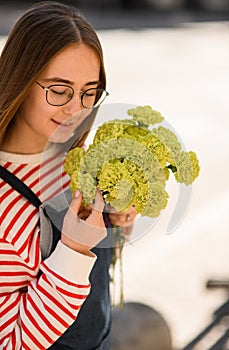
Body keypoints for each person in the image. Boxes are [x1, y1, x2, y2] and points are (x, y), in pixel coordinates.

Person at [0, 2, 137, 349]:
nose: (77, 109)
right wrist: (73, 249)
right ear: (18, 80)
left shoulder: (76, 163)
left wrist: (115, 225)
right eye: (59, 91)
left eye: (89, 93)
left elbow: (93, 284)